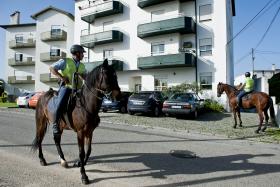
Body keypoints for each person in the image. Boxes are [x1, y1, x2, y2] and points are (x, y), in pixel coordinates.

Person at [49, 44, 86, 137]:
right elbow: (52, 68)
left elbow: (84, 75)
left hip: (78, 89)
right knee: (60, 103)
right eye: (82, 53)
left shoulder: (82, 65)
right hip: (67, 88)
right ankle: (55, 124)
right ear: (76, 53)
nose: (83, 55)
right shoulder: (65, 61)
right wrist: (61, 77)